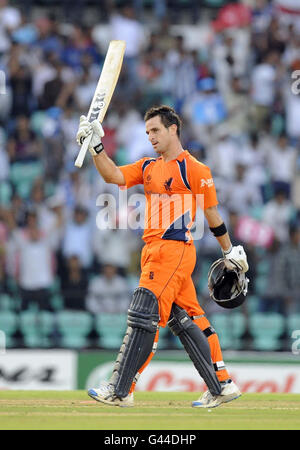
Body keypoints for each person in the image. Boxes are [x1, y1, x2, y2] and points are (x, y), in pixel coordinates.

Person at [76, 105, 249, 409]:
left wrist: (229, 250)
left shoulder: (194, 168)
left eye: (155, 130)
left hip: (172, 250)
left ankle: (120, 388)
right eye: (147, 132)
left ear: (173, 129)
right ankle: (221, 384)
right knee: (188, 319)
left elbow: (211, 213)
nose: (151, 137)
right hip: (155, 251)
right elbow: (112, 176)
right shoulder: (148, 167)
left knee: (145, 314)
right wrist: (96, 147)